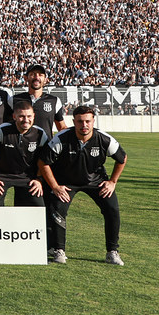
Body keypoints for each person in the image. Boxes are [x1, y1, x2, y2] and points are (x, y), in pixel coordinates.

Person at [39, 105, 127, 265]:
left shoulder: (104, 139)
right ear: (74, 122)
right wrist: (55, 186)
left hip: (96, 182)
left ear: (93, 121)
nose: (84, 125)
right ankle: (59, 250)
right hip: (67, 182)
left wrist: (112, 182)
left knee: (112, 209)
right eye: (80, 121)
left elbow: (122, 158)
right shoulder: (62, 138)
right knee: (58, 209)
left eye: (87, 121)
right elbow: (43, 162)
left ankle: (112, 252)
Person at [0, 99, 48, 208]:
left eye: (29, 116)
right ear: (14, 117)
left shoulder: (40, 134)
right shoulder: (2, 130)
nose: (26, 120)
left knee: (39, 206)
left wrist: (38, 180)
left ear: (34, 116)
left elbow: (42, 160)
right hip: (2, 175)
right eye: (21, 116)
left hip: (27, 177)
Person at [13, 64, 66, 137]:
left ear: (45, 79)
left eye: (40, 75)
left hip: (45, 147)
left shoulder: (54, 101)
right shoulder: (14, 100)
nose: (37, 77)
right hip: (20, 147)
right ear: (26, 78)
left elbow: (61, 127)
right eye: (33, 74)